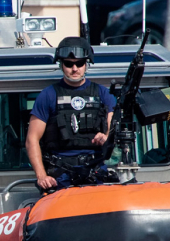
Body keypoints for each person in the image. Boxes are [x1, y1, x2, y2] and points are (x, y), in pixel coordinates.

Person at [25, 36, 116, 190]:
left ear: (86, 64)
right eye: (69, 64)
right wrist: (41, 176)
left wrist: (106, 136)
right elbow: (32, 139)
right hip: (60, 175)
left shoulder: (102, 93)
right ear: (61, 64)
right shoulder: (48, 95)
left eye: (79, 63)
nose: (75, 69)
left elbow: (113, 129)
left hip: (95, 171)